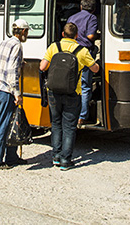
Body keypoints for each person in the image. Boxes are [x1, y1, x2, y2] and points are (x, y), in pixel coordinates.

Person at [39, 22, 99, 170]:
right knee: (69, 127)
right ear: (77, 36)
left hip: (53, 92)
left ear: (63, 34)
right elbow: (95, 69)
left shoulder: (54, 47)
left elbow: (42, 67)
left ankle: (56, 157)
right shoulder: (82, 50)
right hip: (73, 93)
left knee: (56, 124)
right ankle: (66, 160)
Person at [0, 18, 29, 170]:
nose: (27, 34)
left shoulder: (4, 42)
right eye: (27, 31)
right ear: (23, 31)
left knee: (11, 123)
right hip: (7, 90)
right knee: (4, 125)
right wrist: (17, 93)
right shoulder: (17, 46)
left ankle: (11, 157)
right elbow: (11, 71)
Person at [68, 0, 99, 128]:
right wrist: (99, 35)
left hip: (71, 51)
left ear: (81, 7)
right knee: (85, 85)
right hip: (84, 53)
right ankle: (82, 116)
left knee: (73, 83)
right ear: (94, 9)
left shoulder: (72, 17)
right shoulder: (92, 18)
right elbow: (91, 36)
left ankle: (71, 113)